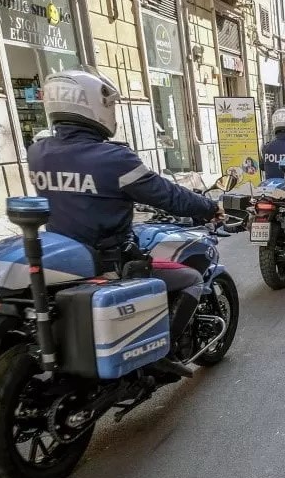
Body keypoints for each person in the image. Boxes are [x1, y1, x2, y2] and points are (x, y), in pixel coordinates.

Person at [27, 69, 223, 364]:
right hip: (109, 262)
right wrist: (209, 208)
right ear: (96, 105)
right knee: (191, 277)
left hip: (63, 261)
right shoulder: (113, 159)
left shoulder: (38, 152)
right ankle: (163, 355)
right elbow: (169, 196)